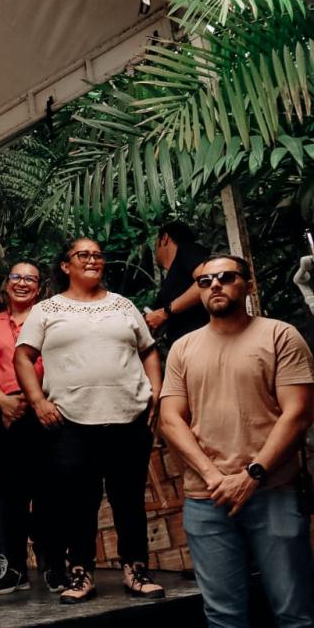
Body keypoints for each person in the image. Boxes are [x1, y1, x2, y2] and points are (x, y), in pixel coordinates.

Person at [160, 255, 314, 627]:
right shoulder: (182, 348)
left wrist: (252, 474)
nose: (214, 284)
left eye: (226, 277)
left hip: (272, 491)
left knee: (295, 614)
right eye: (204, 280)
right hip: (207, 499)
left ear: (248, 284)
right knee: (224, 617)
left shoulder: (280, 335)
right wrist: (214, 477)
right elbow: (170, 419)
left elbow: (298, 413)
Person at [14, 238, 164, 604]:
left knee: (129, 498)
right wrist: (37, 401)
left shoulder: (123, 305)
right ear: (66, 265)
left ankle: (136, 570)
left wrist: (156, 392)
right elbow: (23, 356)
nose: (93, 260)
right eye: (84, 255)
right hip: (71, 422)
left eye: (98, 255)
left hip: (128, 417)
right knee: (78, 501)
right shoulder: (48, 309)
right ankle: (80, 573)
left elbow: (148, 350)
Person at [0, 261, 65, 594]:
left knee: (49, 494)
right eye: (17, 277)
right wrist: (3, 403)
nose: (23, 283)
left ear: (40, 288)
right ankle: (14, 567)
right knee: (9, 496)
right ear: (6, 285)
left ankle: (54, 565)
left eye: (31, 279)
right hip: (5, 415)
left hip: (45, 411)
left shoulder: (52, 318)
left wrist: (40, 401)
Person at [144, 221, 209, 343]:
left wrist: (166, 311)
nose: (154, 251)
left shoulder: (187, 250)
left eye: (155, 244)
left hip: (203, 343)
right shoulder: (172, 280)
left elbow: (207, 281)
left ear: (164, 239)